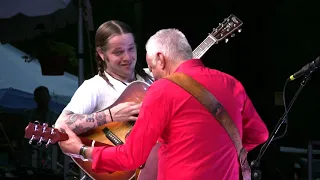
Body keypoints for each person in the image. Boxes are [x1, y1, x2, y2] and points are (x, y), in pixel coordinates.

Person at [58, 28, 269, 180]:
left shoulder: (162, 89)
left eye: (152, 67)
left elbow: (131, 156)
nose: (155, 76)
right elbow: (260, 135)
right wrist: (221, 153)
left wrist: (82, 150)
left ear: (160, 58)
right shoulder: (231, 83)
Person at [54, 20, 153, 134]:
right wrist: (110, 115)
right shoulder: (94, 86)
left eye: (131, 48)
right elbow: (60, 125)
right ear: (101, 53)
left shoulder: (154, 76)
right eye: (118, 52)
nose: (127, 57)